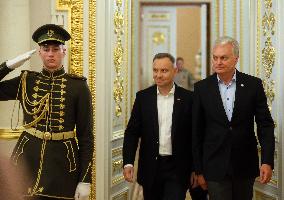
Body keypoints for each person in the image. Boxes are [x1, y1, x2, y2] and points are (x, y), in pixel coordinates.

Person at [0, 24, 94, 200]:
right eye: (46, 49)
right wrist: (7, 66)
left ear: (63, 51)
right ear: (40, 52)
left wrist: (85, 179)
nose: (51, 53)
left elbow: (86, 136)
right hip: (26, 157)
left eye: (56, 49)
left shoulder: (78, 86)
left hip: (63, 164)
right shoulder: (26, 81)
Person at [192, 36, 275, 200]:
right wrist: (198, 170)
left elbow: (265, 125)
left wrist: (267, 161)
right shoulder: (202, 88)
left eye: (224, 58)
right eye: (215, 58)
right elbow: (196, 132)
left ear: (236, 59)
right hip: (214, 166)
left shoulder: (253, 85)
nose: (218, 62)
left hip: (244, 165)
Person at [123, 53, 195, 200]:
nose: (158, 75)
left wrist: (196, 168)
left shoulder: (189, 98)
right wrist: (128, 162)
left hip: (178, 168)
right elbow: (132, 133)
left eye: (164, 71)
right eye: (155, 70)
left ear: (175, 71)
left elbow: (195, 135)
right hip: (150, 167)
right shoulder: (143, 97)